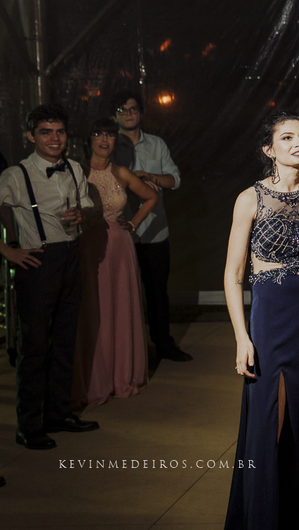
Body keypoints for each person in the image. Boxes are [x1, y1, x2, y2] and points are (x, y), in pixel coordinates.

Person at [222, 112, 299, 530]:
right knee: (267, 416)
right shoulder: (250, 198)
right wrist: (242, 337)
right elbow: (234, 274)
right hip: (270, 315)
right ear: (269, 149)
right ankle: (262, 517)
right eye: (288, 137)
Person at [0, 105, 99, 450]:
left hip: (71, 256)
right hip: (37, 261)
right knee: (35, 346)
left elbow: (86, 205)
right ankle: (28, 424)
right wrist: (7, 250)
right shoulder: (16, 174)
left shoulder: (73, 167)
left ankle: (58, 414)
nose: (54, 138)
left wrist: (80, 215)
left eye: (59, 131)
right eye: (46, 131)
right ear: (31, 136)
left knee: (64, 339)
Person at [73, 118, 158, 408]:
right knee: (93, 309)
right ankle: (95, 379)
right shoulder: (77, 171)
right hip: (88, 245)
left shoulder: (121, 172)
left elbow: (151, 196)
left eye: (109, 135)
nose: (104, 139)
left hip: (119, 246)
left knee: (119, 308)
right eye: (98, 133)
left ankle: (121, 375)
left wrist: (133, 224)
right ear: (89, 139)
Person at [110, 90, 190, 363]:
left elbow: (175, 180)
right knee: (122, 295)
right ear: (114, 116)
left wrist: (151, 176)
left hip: (155, 231)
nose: (128, 114)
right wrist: (133, 181)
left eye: (132, 109)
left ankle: (163, 345)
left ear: (141, 113)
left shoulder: (156, 144)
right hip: (122, 231)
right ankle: (129, 352)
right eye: (122, 110)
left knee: (157, 292)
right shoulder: (109, 145)